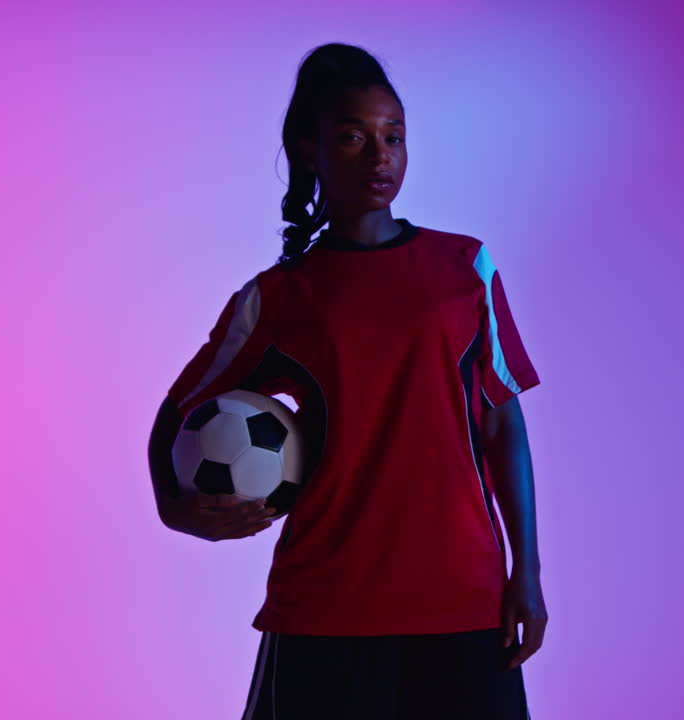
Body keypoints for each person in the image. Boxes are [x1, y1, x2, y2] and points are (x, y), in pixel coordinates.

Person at [145, 43, 547, 719]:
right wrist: (173, 507)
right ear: (310, 149)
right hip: (326, 605)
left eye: (393, 137)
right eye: (353, 138)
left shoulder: (464, 268)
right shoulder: (278, 298)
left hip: (462, 596)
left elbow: (503, 422)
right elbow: (177, 410)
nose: (379, 156)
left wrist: (526, 575)